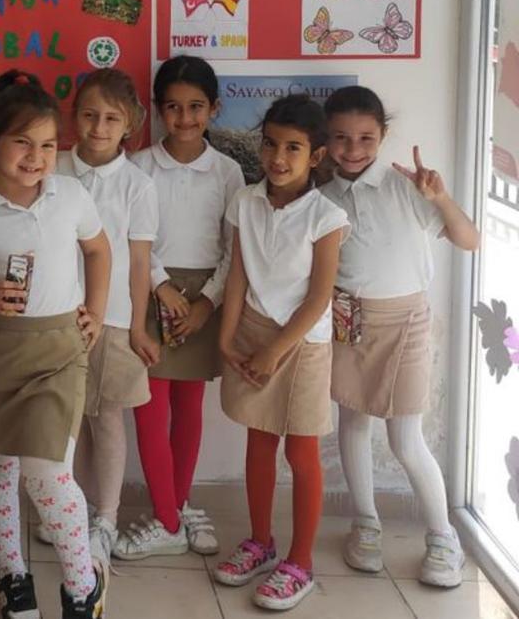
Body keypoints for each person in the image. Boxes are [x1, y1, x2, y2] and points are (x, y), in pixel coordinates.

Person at [0, 70, 111, 619]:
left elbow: (98, 251)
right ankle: (12, 575)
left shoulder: (70, 194)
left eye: (48, 144)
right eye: (22, 141)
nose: (36, 156)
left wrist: (95, 310)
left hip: (57, 354)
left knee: (47, 475)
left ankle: (82, 585)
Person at [322, 86, 479, 588]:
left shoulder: (406, 187)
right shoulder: (321, 195)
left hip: (407, 321)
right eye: (341, 138)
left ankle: (442, 536)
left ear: (383, 136)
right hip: (348, 321)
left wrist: (441, 196)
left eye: (366, 137)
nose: (353, 148)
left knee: (406, 438)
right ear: (326, 139)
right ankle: (365, 524)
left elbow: (469, 239)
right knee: (353, 421)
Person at [215, 94, 348, 610]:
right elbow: (237, 273)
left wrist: (275, 350)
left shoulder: (326, 215)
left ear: (315, 156)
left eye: (294, 147)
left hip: (301, 344)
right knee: (258, 442)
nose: (278, 157)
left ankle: (301, 560)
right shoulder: (244, 202)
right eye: (271, 144)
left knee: (301, 452)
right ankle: (260, 541)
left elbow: (319, 297)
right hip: (251, 330)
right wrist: (228, 338)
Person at [124, 56, 244, 560]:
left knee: (189, 408)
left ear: (213, 109)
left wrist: (206, 303)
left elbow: (233, 248)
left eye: (196, 107)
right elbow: (132, 240)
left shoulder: (228, 171)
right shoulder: (139, 167)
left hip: (203, 297)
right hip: (149, 288)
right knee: (150, 409)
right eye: (173, 107)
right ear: (157, 111)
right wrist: (161, 287)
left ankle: (176, 503)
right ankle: (169, 518)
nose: (185, 118)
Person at [52, 69, 159, 569]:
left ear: (130, 125)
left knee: (108, 418)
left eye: (111, 118)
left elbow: (139, 262)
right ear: (73, 117)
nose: (98, 127)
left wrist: (137, 326)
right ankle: (64, 514)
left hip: (114, 320)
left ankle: (106, 518)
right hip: (53, 316)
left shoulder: (138, 185)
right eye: (90, 115)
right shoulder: (49, 167)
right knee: (62, 420)